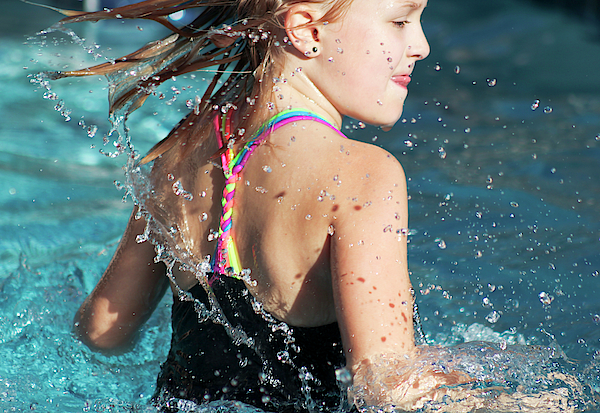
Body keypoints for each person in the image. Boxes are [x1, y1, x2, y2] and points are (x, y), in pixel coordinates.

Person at [48, 0, 584, 412]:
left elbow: (103, 330)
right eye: (400, 22)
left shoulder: (185, 149)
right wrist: (508, 392)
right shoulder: (363, 175)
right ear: (307, 30)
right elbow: (386, 385)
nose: (421, 45)